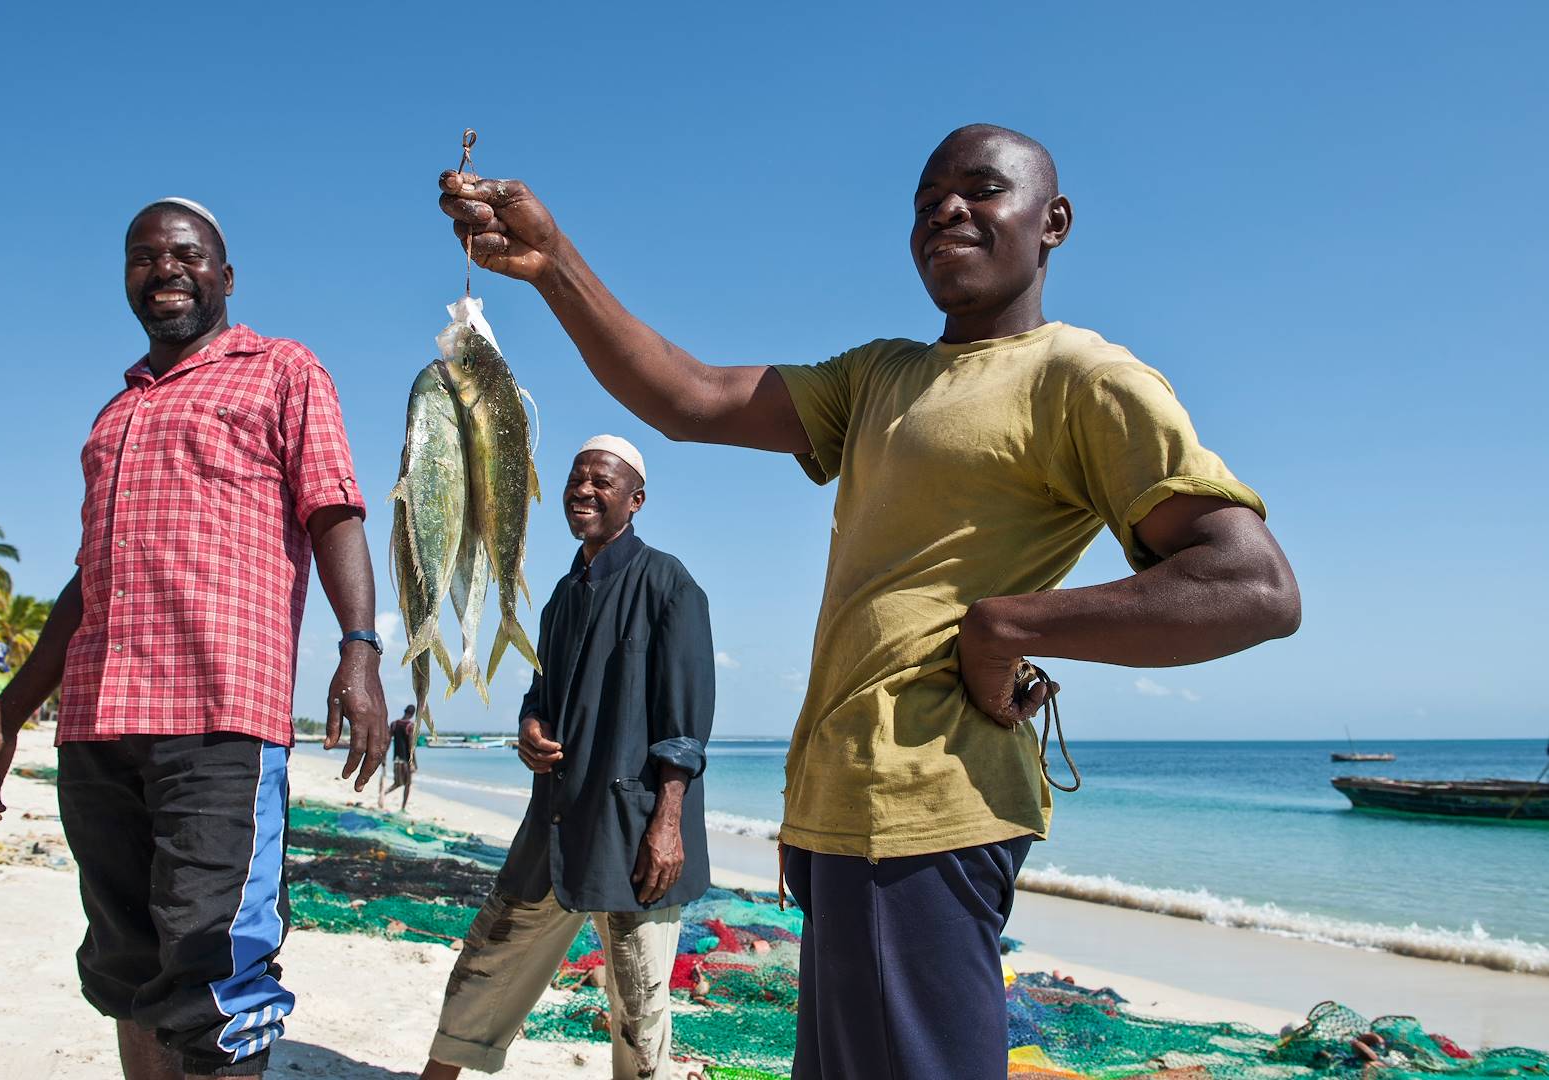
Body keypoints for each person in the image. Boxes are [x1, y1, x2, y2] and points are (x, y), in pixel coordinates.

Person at [437, 126, 1303, 1079]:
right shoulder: (880, 376)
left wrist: (1005, 626)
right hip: (840, 805)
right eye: (928, 199)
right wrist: (554, 262)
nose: (946, 210)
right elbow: (690, 397)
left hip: (928, 802)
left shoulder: (1082, 377)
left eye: (981, 190)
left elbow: (1248, 586)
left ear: (1052, 223)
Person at [0, 197, 390, 1080]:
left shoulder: (282, 370)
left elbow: (333, 508)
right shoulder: (115, 415)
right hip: (98, 726)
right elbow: (86, 581)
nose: (165, 270)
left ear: (226, 275)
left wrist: (359, 649)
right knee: (124, 969)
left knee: (213, 976)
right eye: (143, 258)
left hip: (219, 721)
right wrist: (4, 718)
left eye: (186, 254)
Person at [421, 436, 715, 1080]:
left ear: (635, 502)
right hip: (556, 817)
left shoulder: (669, 583)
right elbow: (541, 692)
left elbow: (686, 729)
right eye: (575, 477)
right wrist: (529, 725)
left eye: (601, 482)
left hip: (634, 832)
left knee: (639, 1005)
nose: (583, 489)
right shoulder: (561, 595)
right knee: (490, 955)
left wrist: (667, 825)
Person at [382, 704, 418, 811]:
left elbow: (387, 742)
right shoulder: (410, 726)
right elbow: (411, 746)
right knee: (407, 784)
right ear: (412, 714)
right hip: (406, 761)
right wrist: (413, 763)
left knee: (398, 783)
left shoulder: (394, 724)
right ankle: (402, 807)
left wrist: (384, 757)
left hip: (396, 759)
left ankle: (383, 794)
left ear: (405, 711)